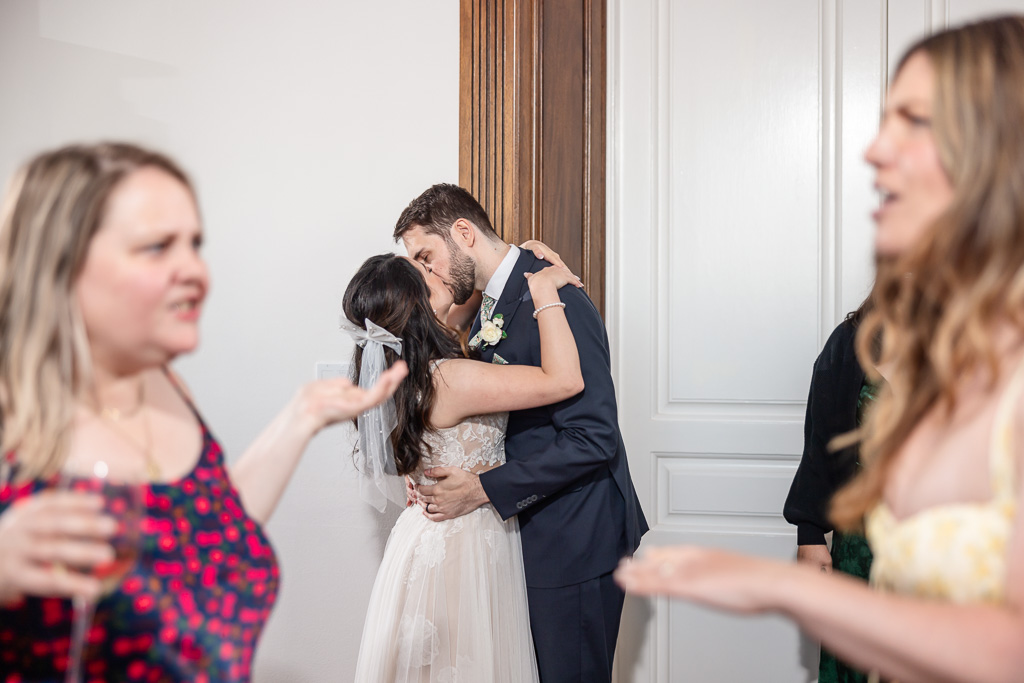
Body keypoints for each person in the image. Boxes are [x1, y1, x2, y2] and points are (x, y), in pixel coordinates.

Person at [615, 15, 1024, 683]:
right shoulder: (947, 357)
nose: (873, 150)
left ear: (998, 149)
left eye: (914, 120)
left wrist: (784, 588)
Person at [0, 142, 406, 682]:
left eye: (194, 245)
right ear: (65, 261)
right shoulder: (13, 409)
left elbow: (205, 536)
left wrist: (300, 419)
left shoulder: (167, 387)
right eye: (157, 246)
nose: (194, 270)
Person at [394, 184, 648, 683]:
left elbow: (594, 437)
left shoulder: (557, 298)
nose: (424, 274)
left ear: (463, 233)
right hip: (524, 534)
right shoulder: (487, 301)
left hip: (573, 536)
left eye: (426, 257)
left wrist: (483, 487)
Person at [345, 252, 583, 682]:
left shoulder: (399, 379)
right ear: (416, 304)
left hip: (422, 537)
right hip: (464, 544)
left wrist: (519, 255)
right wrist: (545, 291)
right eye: (424, 273)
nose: (435, 271)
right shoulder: (449, 379)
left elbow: (469, 300)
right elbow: (565, 380)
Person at [784, 296, 878, 683]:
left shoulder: (973, 341)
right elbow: (820, 440)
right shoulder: (851, 343)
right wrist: (810, 533)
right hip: (861, 547)